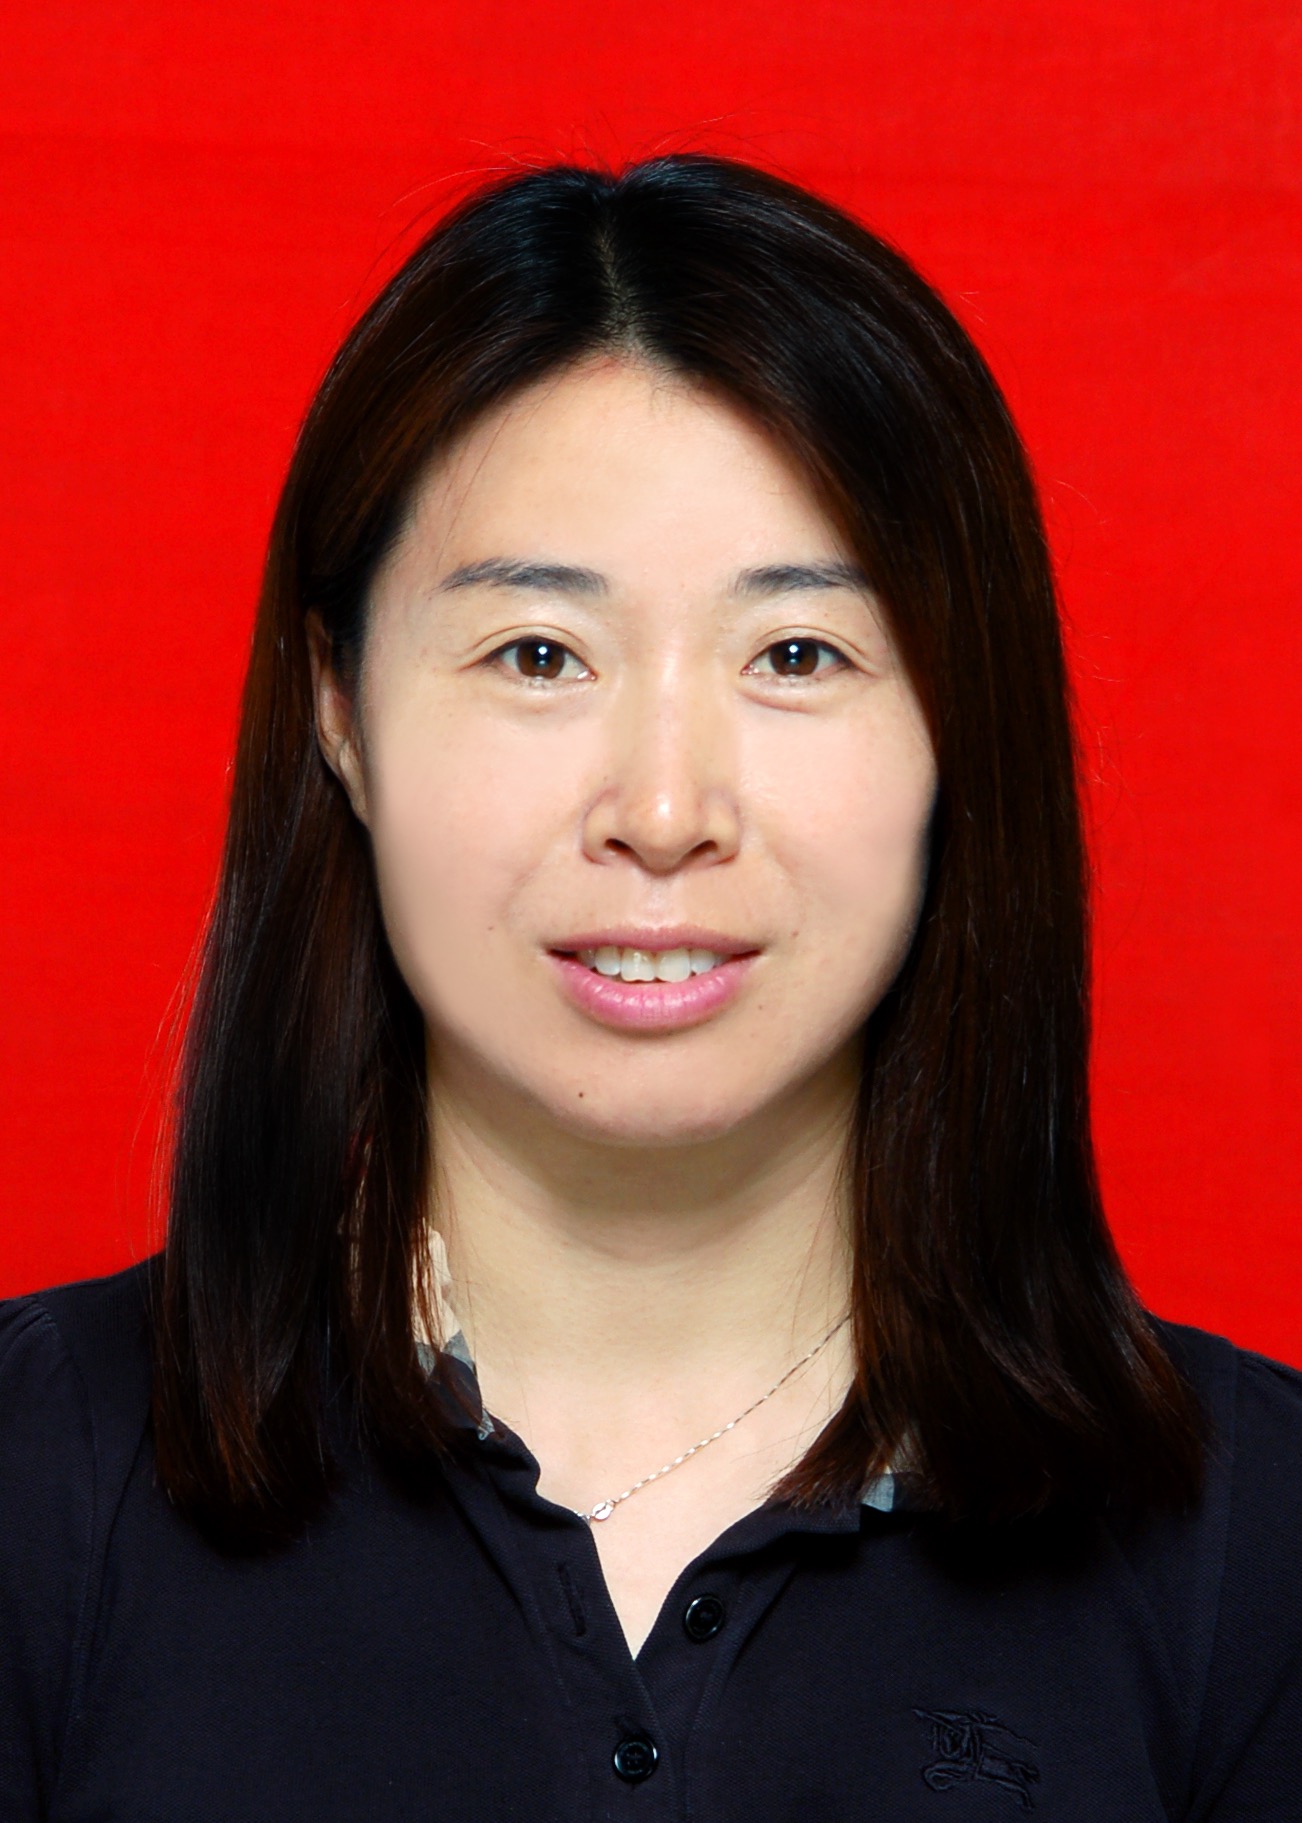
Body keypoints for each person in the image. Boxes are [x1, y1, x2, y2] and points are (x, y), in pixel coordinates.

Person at [2, 153, 1299, 1822]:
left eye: (796, 656)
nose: (666, 811)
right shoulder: (41, 1485)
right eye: (539, 654)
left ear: (960, 732)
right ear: (339, 710)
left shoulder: (1252, 1547)